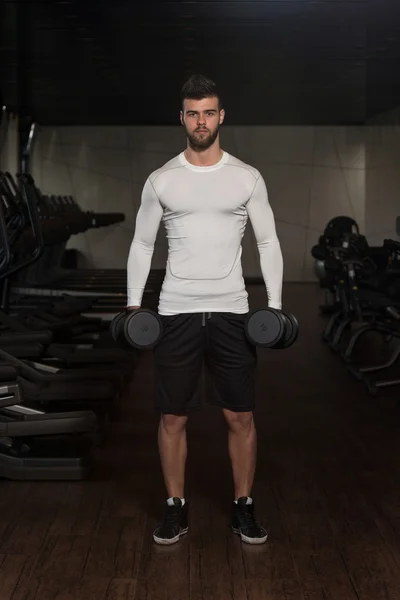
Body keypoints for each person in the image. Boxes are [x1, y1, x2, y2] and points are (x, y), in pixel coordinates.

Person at [126, 74, 284, 545]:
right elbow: (141, 243)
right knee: (173, 417)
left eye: (209, 112)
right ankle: (175, 506)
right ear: (182, 118)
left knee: (240, 416)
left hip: (233, 311)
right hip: (175, 312)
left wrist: (274, 306)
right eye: (193, 113)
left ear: (221, 116)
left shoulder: (246, 177)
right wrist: (134, 305)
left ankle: (243, 506)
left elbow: (269, 241)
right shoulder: (162, 180)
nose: (201, 120)